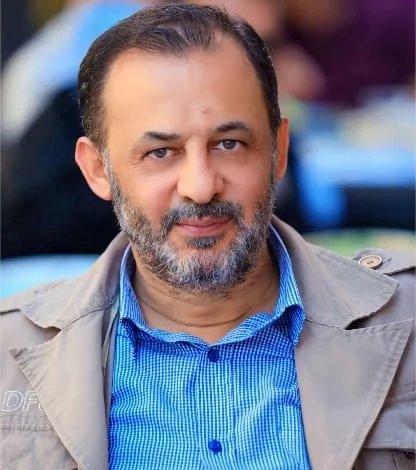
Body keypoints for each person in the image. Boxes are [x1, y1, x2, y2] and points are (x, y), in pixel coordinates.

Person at [0, 4, 414, 470]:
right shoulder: (8, 357)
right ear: (98, 170)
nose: (200, 186)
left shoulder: (407, 321)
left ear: (278, 152)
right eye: (161, 152)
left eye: (229, 144)